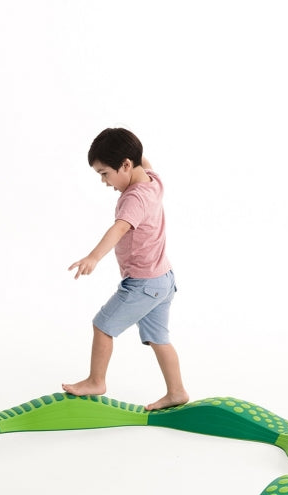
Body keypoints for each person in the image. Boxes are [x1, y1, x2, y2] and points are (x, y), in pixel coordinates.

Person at [63, 128, 188, 410]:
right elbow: (144, 160)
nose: (104, 181)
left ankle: (96, 381)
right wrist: (124, 143)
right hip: (163, 280)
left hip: (143, 284)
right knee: (159, 339)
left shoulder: (134, 198)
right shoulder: (153, 180)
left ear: (126, 165)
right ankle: (177, 391)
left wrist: (93, 257)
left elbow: (119, 228)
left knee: (102, 326)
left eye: (105, 173)